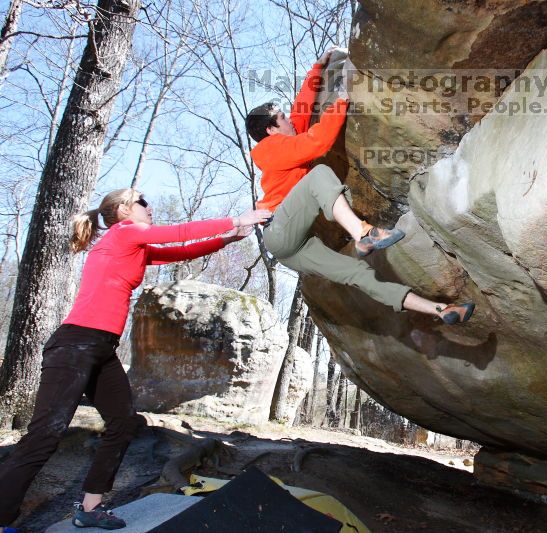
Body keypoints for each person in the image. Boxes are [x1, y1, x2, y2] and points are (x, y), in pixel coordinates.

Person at [0, 189, 271, 530]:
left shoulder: (134, 246)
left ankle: (90, 507)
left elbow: (181, 251)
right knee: (45, 436)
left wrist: (230, 238)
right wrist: (236, 219)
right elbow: (179, 233)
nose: (150, 206)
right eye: (144, 201)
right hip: (75, 344)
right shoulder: (125, 233)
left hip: (100, 348)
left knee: (123, 423)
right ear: (125, 209)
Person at [245, 49, 474, 324]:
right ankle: (362, 233)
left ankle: (440, 310)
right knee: (319, 174)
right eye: (282, 118)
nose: (289, 119)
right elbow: (318, 142)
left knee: (356, 273)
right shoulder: (268, 149)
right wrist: (342, 99)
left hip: (291, 246)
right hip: (279, 230)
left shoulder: (284, 143)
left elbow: (302, 107)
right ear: (271, 130)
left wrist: (318, 67)